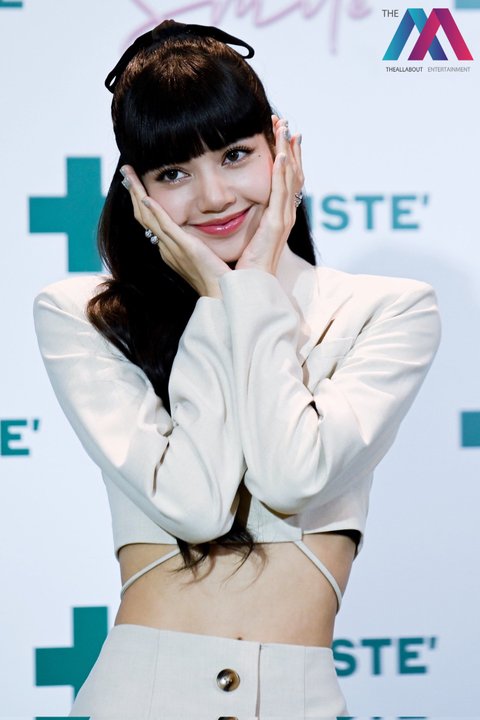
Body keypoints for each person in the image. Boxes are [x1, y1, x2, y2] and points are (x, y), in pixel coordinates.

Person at [33, 19, 441, 719]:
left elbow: (293, 476)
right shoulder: (86, 315)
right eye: (173, 173)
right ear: (136, 190)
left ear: (281, 150)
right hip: (140, 697)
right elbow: (195, 507)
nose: (214, 196)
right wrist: (222, 299)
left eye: (235, 155)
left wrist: (246, 291)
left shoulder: (385, 310)